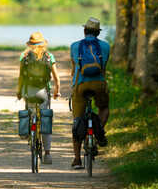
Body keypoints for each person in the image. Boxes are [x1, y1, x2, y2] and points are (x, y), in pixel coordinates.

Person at [69, 17, 110, 169]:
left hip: (80, 85)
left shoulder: (74, 46)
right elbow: (103, 67)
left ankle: (77, 159)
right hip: (99, 84)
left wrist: (73, 86)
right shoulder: (105, 46)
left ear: (84, 30)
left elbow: (74, 70)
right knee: (104, 108)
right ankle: (97, 133)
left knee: (77, 120)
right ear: (98, 33)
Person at [16, 31, 61, 164]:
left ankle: (27, 130)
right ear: (43, 44)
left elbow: (21, 77)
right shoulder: (49, 56)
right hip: (43, 93)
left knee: (30, 112)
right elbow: (57, 78)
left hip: (29, 92)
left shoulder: (24, 56)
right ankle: (47, 154)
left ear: (30, 44)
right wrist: (56, 92)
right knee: (45, 118)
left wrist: (19, 92)